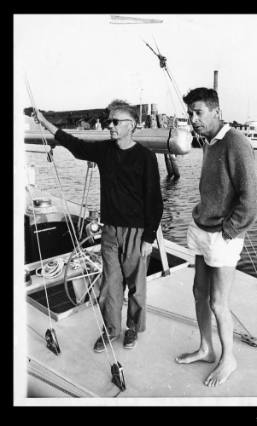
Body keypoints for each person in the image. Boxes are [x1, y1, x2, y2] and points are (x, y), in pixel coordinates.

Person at [34, 100, 163, 351]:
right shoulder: (105, 151)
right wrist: (45, 122)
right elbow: (75, 145)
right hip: (110, 230)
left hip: (136, 233)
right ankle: (112, 330)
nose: (110, 126)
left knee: (136, 285)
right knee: (110, 283)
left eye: (115, 122)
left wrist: (148, 239)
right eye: (109, 122)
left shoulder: (146, 157)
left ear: (131, 125)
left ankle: (133, 329)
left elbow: (155, 202)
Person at [175, 88, 257, 386]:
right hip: (202, 227)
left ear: (216, 110)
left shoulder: (235, 142)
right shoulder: (209, 142)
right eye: (190, 114)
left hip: (223, 235)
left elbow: (252, 200)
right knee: (199, 293)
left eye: (198, 112)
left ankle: (229, 359)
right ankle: (206, 347)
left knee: (218, 303)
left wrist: (230, 230)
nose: (193, 119)